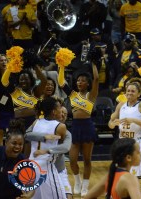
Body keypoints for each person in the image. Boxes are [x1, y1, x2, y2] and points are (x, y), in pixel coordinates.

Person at [58, 62, 99, 197]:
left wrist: (94, 65)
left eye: (83, 80)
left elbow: (97, 79)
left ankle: (85, 185)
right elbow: (61, 82)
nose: (80, 82)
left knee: (87, 159)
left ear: (88, 84)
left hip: (87, 126)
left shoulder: (91, 95)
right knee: (73, 159)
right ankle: (77, 181)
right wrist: (62, 65)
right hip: (75, 127)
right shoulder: (73, 95)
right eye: (78, 80)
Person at [109, 82, 141, 180]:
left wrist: (134, 120)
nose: (130, 93)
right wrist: (113, 124)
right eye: (128, 91)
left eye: (133, 91)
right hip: (122, 143)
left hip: (136, 142)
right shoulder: (120, 105)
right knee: (121, 174)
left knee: (134, 176)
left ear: (138, 94)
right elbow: (110, 123)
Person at [25, 105, 73, 199]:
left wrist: (47, 151)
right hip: (41, 168)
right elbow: (26, 135)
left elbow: (66, 147)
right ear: (54, 113)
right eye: (61, 112)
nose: (63, 115)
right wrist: (45, 136)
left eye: (65, 114)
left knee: (68, 196)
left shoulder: (66, 132)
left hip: (59, 171)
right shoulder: (40, 125)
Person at [0, 119, 34, 199]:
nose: (17, 147)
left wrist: (28, 195)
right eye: (14, 143)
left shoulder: (25, 162)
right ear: (6, 141)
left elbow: (31, 186)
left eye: (20, 144)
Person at [0, 54, 14, 146]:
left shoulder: (12, 75)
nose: (4, 62)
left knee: (11, 131)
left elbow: (12, 89)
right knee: (0, 132)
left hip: (10, 106)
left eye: (5, 60)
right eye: (1, 60)